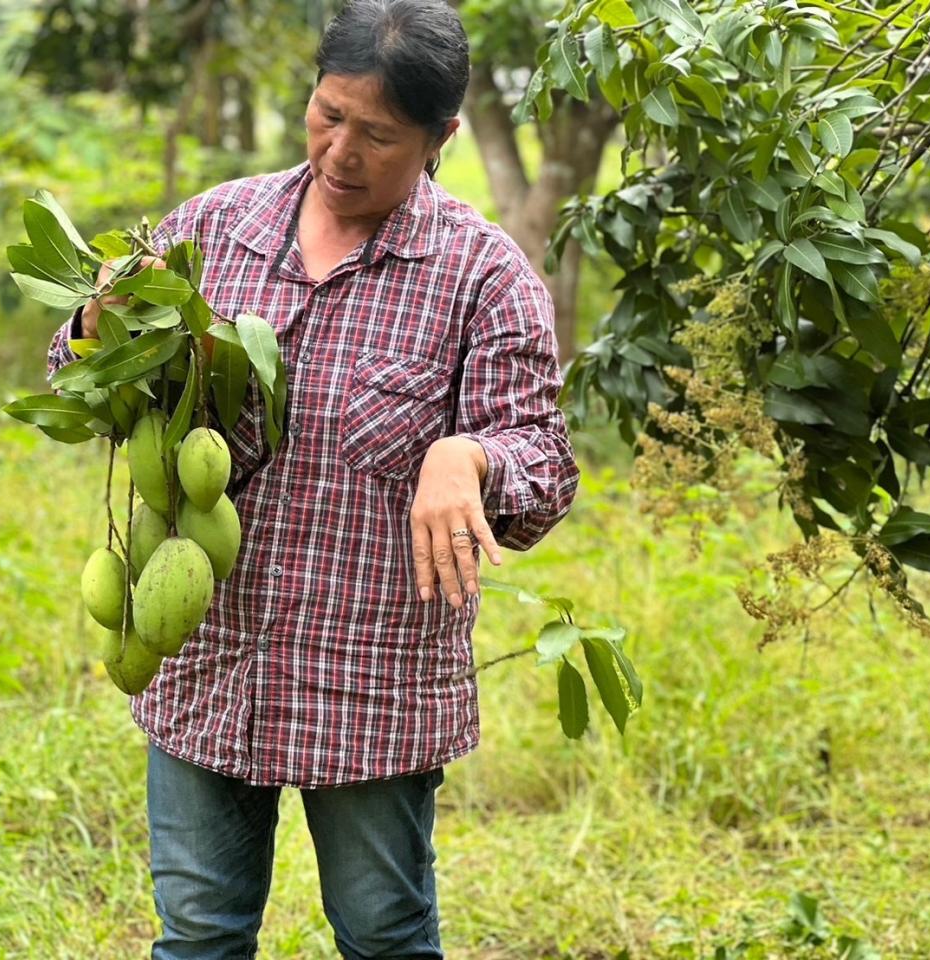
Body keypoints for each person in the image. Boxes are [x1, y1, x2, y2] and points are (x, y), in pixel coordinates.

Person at [44, 1, 580, 956]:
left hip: (370, 677)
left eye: (377, 135)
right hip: (208, 657)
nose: (341, 151)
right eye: (328, 115)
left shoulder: (483, 276)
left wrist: (469, 455)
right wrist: (96, 327)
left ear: (440, 138)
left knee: (384, 934)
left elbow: (542, 463)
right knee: (198, 933)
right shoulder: (214, 226)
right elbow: (78, 381)